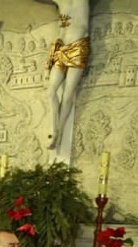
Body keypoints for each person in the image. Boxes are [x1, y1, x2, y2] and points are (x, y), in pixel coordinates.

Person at [46, 0, 90, 150]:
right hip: (62, 48)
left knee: (67, 94)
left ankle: (59, 133)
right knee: (50, 91)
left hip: (78, 46)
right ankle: (54, 129)